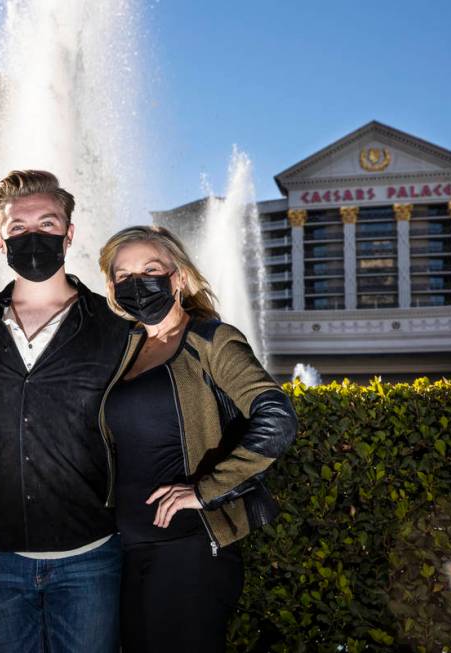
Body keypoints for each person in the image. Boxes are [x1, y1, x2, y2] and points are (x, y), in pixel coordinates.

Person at [97, 225, 298, 653]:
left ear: (179, 278)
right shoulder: (127, 347)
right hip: (129, 547)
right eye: (124, 275)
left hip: (189, 548)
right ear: (113, 288)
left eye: (151, 269)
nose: (138, 283)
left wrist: (205, 491)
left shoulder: (210, 339)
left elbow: (277, 416)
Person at [0, 170, 130, 652]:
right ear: (0, 239)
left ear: (69, 233)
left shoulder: (115, 324)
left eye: (48, 223)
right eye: (18, 228)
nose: (32, 236)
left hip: (91, 555)